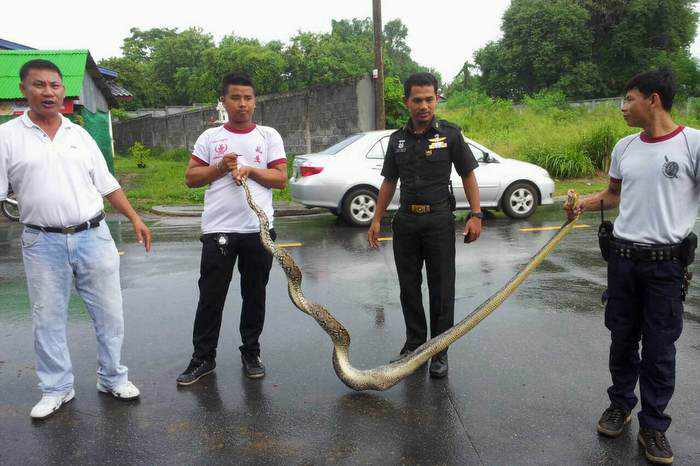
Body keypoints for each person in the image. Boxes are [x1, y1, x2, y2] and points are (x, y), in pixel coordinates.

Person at [0, 59, 152, 419]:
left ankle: (112, 377)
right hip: (42, 242)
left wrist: (134, 217)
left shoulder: (79, 135)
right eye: (39, 85)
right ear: (24, 90)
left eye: (54, 85)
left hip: (93, 236)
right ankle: (57, 389)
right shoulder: (7, 136)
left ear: (63, 90)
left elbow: (108, 184)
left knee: (109, 314)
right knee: (48, 318)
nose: (48, 92)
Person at [565, 69, 699, 465]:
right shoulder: (624, 147)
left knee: (659, 349)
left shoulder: (692, 144)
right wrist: (581, 205)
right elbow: (612, 194)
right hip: (622, 261)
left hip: (665, 268)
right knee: (621, 340)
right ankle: (620, 405)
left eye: (629, 99)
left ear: (653, 100)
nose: (623, 107)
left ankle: (654, 426)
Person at [367, 72, 482, 378]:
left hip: (438, 221)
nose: (423, 105)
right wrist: (377, 219)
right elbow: (389, 181)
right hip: (406, 221)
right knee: (408, 287)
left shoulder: (450, 135)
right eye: (417, 100)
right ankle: (415, 344)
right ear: (407, 102)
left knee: (441, 289)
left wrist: (476, 214)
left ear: (436, 99)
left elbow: (468, 174)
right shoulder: (398, 140)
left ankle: (439, 351)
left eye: (429, 99)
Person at [177, 73, 287, 385]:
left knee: (255, 295)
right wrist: (219, 168)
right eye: (235, 98)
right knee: (211, 297)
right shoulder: (210, 138)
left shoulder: (268, 136)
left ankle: (251, 352)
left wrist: (251, 170)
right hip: (218, 230)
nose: (242, 104)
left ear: (255, 101)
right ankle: (203, 358)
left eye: (248, 98)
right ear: (223, 101)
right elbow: (190, 177)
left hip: (258, 229)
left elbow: (280, 178)